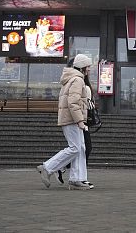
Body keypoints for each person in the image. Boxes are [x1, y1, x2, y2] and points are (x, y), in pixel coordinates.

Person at [36, 53, 93, 190]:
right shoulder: (77, 80)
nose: (89, 69)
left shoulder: (72, 78)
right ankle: (47, 168)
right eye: (87, 66)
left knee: (80, 148)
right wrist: (80, 121)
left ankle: (77, 179)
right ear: (82, 67)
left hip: (70, 118)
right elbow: (73, 102)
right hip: (72, 119)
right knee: (75, 148)